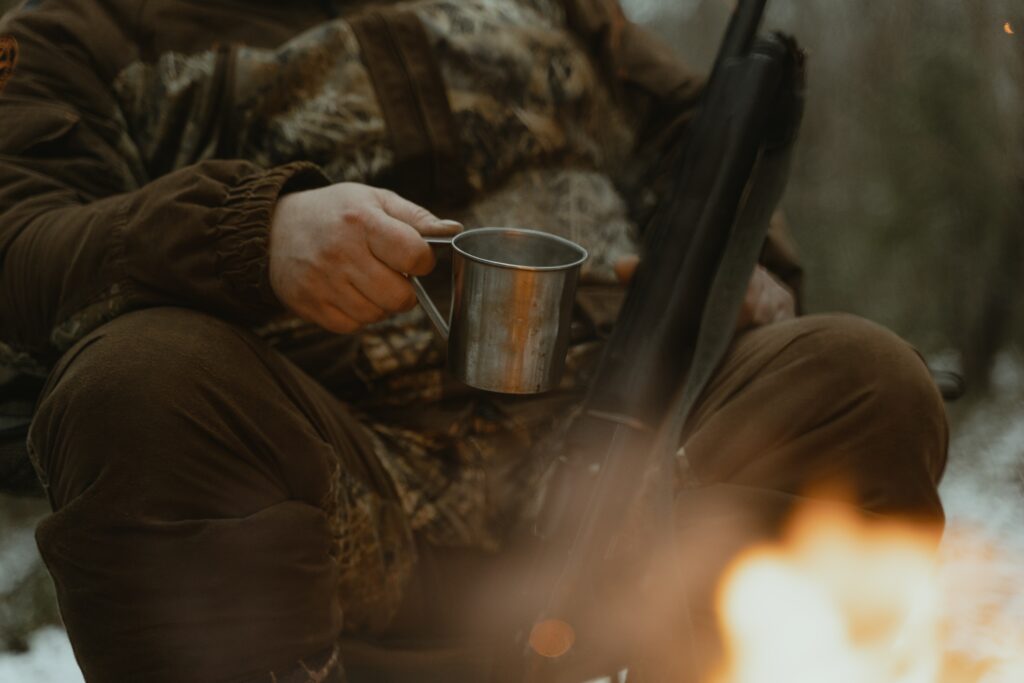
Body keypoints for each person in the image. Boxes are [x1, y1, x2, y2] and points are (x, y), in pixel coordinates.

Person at [0, 0, 947, 681]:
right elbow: (19, 241)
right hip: (334, 499)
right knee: (135, 388)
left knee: (861, 381)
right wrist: (255, 235)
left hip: (627, 470)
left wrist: (749, 266)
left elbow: (704, 133)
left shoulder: (566, 11)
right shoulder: (77, 34)